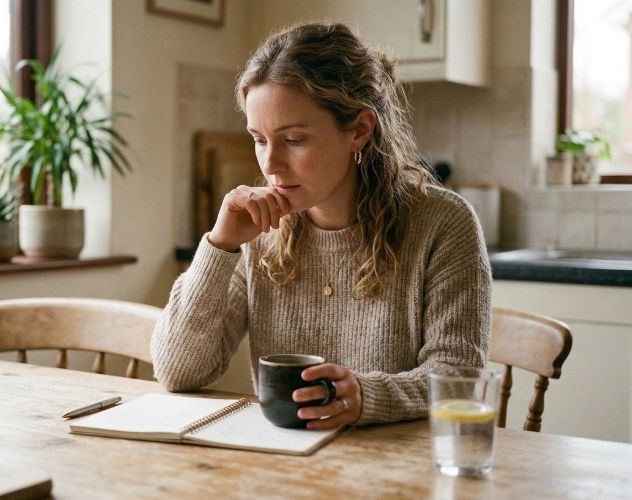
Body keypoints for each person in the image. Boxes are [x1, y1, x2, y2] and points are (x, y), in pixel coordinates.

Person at [151, 22, 491, 429]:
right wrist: (219, 245)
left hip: (400, 470)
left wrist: (366, 397)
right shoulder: (260, 231)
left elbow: (458, 376)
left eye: (293, 139)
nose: (270, 164)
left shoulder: (444, 224)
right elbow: (177, 371)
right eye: (259, 139)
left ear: (359, 131)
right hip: (286, 468)